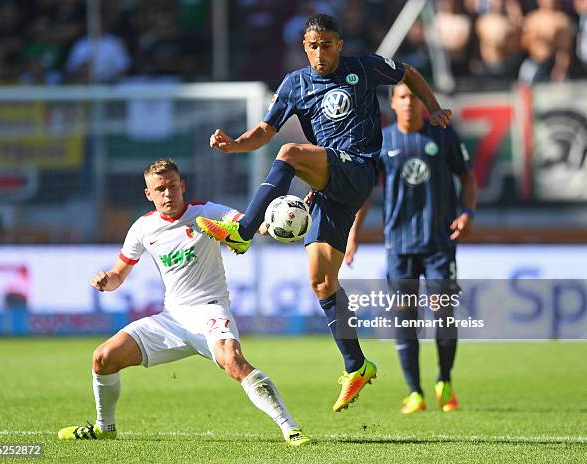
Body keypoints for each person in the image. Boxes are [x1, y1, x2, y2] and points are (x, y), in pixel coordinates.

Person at [195, 13, 452, 413]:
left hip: (360, 166)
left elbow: (409, 74)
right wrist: (233, 145)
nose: (320, 53)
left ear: (340, 44)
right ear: (304, 47)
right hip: (333, 189)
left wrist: (433, 108)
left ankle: (244, 229)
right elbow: (265, 131)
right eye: (313, 46)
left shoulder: (363, 68)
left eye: (327, 45)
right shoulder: (295, 84)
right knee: (321, 281)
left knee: (291, 153)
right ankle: (356, 365)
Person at [57, 159, 310, 446]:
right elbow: (119, 274)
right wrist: (107, 281)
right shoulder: (143, 228)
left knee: (234, 361)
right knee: (103, 358)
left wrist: (282, 219)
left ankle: (290, 428)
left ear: (182, 186)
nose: (168, 194)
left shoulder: (207, 212)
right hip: (172, 319)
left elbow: (250, 226)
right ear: (148, 194)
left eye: (173, 186)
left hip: (210, 309)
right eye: (160, 189)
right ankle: (105, 427)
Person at [345, 82, 477, 414]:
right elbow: (365, 194)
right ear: (392, 102)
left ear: (422, 103)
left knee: (443, 314)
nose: (409, 103)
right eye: (403, 97)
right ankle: (414, 393)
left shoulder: (443, 135)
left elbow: (468, 178)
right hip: (399, 245)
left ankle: (444, 382)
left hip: (438, 243)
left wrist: (467, 212)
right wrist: (353, 235)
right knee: (405, 319)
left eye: (414, 97)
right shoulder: (382, 142)